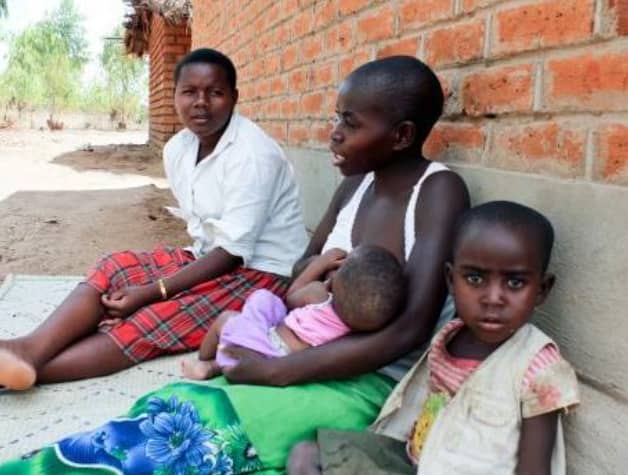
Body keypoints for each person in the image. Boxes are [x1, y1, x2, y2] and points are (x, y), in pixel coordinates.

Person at [0, 56, 469, 474]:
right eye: (336, 117)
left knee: (198, 428)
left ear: (401, 135)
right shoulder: (356, 185)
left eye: (350, 122)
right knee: (169, 408)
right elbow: (302, 265)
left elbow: (410, 328)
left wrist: (277, 371)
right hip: (296, 344)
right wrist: (313, 289)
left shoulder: (437, 191)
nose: (334, 132)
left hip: (363, 380)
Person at [0, 48, 308, 390]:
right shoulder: (178, 149)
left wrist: (154, 291)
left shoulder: (253, 155)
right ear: (175, 96)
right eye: (189, 92)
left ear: (234, 97)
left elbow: (233, 253)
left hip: (262, 275)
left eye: (215, 93)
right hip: (208, 256)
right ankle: (29, 349)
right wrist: (160, 284)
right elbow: (206, 239)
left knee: (152, 318)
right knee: (114, 268)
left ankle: (25, 372)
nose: (201, 102)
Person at [288, 201, 580, 475]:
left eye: (515, 283)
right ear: (451, 280)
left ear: (542, 290)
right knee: (307, 455)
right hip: (414, 460)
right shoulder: (450, 336)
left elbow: (535, 469)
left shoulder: (539, 368)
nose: (493, 298)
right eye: (475, 279)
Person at [181, 245, 406, 380]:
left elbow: (291, 296)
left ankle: (206, 362)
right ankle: (218, 363)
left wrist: (320, 264)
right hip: (294, 360)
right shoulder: (353, 333)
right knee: (266, 301)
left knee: (227, 318)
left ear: (335, 278)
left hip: (268, 346)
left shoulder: (319, 295)